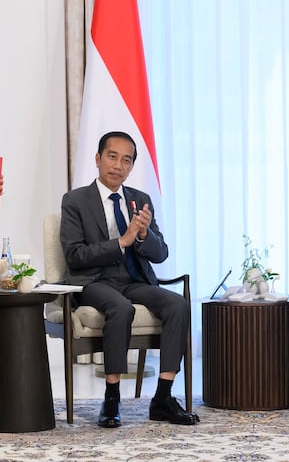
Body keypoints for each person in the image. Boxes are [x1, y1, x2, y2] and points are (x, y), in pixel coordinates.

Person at [59, 130, 199, 428]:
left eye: (126, 160)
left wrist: (145, 235)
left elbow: (160, 254)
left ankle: (162, 397)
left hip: (135, 280)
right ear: (98, 159)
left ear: (132, 166)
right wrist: (122, 242)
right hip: (95, 281)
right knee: (121, 308)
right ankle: (112, 398)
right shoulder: (75, 201)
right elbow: (74, 255)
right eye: (112, 156)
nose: (118, 165)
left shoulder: (140, 199)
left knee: (178, 305)